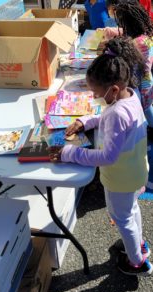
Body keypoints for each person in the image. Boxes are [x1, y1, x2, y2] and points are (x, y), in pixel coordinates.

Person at [49, 38, 153, 276]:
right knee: (131, 211)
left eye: (95, 93)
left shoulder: (116, 112)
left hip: (120, 178)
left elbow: (106, 156)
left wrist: (68, 153)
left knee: (122, 217)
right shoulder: (131, 95)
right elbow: (105, 117)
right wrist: (84, 121)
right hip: (135, 171)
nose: (94, 97)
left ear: (113, 89)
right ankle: (138, 245)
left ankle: (136, 262)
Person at [97, 1, 153, 129]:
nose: (119, 25)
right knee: (147, 109)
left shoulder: (138, 42)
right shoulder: (142, 35)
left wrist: (110, 48)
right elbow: (122, 32)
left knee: (145, 110)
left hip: (141, 84)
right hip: (144, 79)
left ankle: (146, 130)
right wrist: (109, 32)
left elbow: (124, 56)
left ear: (128, 23)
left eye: (121, 22)